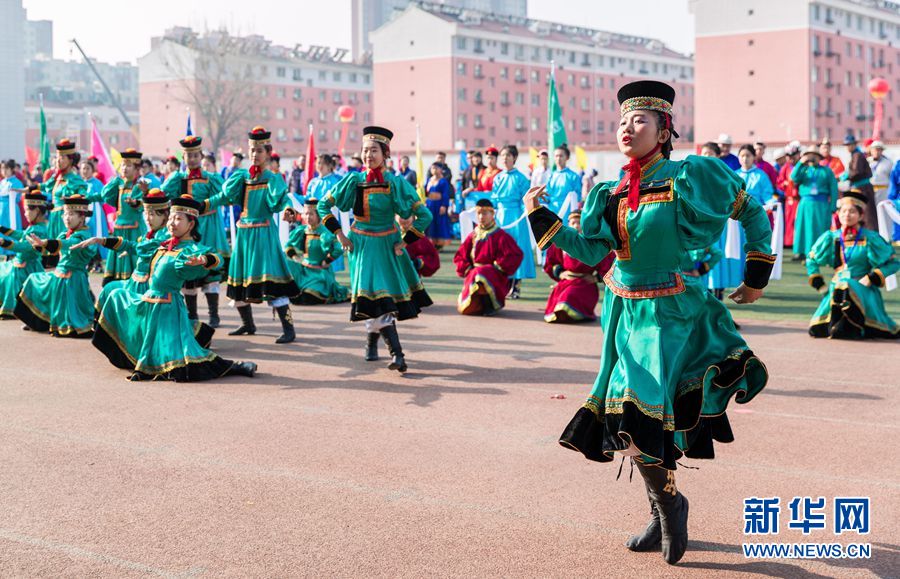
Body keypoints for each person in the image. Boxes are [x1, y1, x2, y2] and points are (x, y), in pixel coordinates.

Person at [526, 80, 774, 566]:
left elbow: (752, 212)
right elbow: (590, 250)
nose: (626, 128)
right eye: (621, 121)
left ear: (664, 130)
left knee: (645, 415)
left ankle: (668, 506)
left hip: (673, 314)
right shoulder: (609, 192)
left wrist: (756, 276)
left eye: (638, 120)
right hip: (622, 312)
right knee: (632, 417)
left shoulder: (690, 175)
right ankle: (665, 508)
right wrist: (543, 218)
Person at [92, 194, 257, 381]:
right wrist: (102, 241)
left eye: (178, 219)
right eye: (171, 218)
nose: (172, 223)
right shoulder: (162, 245)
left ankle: (238, 367)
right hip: (148, 302)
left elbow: (216, 258)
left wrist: (203, 260)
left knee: (184, 359)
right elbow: (133, 247)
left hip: (167, 309)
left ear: (191, 224)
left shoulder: (190, 249)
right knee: (116, 295)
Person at [317, 126, 433, 372]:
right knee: (373, 297)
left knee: (381, 299)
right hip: (362, 245)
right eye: (365, 150)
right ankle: (395, 353)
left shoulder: (396, 183)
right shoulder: (353, 180)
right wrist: (339, 234)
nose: (369, 155)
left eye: (374, 150)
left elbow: (424, 215)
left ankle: (379, 346)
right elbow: (323, 206)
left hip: (388, 246)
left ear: (385, 153)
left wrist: (405, 240)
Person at [204, 126, 299, 344]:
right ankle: (248, 324)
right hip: (244, 235)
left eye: (259, 150)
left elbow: (282, 199)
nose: (254, 154)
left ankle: (289, 328)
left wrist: (287, 210)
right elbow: (223, 196)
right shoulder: (243, 178)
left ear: (268, 153)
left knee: (271, 281)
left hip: (263, 234)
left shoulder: (272, 178)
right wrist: (203, 204)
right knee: (238, 282)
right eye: (252, 150)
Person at [806, 190, 898, 339]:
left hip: (862, 288)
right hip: (837, 289)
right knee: (816, 330)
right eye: (843, 211)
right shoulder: (831, 237)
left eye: (852, 212)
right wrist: (819, 283)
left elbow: (893, 263)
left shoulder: (870, 238)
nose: (847, 215)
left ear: (861, 215)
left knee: (847, 284)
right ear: (838, 214)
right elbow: (811, 259)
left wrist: (873, 277)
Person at [160, 135, 229, 327]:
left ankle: (214, 314)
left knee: (210, 271)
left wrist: (206, 205)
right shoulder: (178, 178)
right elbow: (163, 194)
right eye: (187, 156)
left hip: (209, 226)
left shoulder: (211, 178)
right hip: (187, 229)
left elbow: (224, 196)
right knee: (188, 268)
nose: (191, 159)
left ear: (200, 156)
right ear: (183, 158)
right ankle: (192, 315)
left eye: (194, 155)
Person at [15, 195, 98, 337]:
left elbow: (68, 244)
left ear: (82, 217)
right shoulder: (64, 233)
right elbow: (52, 249)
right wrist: (39, 246)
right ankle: (38, 321)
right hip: (58, 275)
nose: (67, 218)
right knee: (33, 280)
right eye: (65, 214)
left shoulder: (84, 236)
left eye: (71, 214)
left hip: (72, 278)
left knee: (74, 321)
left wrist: (45, 243)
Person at [83, 189, 172, 313]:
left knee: (115, 294)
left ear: (165, 215)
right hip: (136, 281)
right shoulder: (150, 234)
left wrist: (132, 249)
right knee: (109, 288)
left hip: (149, 286)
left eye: (152, 214)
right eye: (146, 213)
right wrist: (102, 240)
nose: (147, 218)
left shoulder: (165, 236)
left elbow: (138, 247)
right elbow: (136, 246)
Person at [84, 148, 147, 286]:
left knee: (134, 262)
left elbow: (144, 204)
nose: (125, 168)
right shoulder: (119, 184)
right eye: (123, 165)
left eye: (129, 165)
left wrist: (136, 202)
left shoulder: (140, 185)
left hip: (134, 230)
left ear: (136, 169)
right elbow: (104, 194)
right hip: (119, 229)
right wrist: (85, 198)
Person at [453, 199, 523, 316]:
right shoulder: (473, 235)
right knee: (477, 275)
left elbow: (515, 255)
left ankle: (490, 304)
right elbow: (461, 255)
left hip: (494, 274)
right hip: (475, 273)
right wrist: (467, 268)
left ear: (492, 214)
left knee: (481, 273)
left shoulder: (501, 236)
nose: (481, 217)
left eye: (485, 213)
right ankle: (479, 303)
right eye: (479, 213)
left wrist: (497, 267)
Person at [542, 209, 613, 323]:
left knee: (568, 297)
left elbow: (609, 266)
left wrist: (595, 278)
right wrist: (560, 273)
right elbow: (551, 263)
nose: (576, 226)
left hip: (585, 283)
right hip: (567, 281)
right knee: (561, 299)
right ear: (568, 224)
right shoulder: (560, 243)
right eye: (573, 223)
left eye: (579, 222)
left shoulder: (594, 244)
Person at [282, 199, 348, 305]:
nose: (308, 217)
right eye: (306, 214)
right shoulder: (302, 231)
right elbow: (288, 246)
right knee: (285, 261)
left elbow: (339, 247)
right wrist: (295, 257)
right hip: (304, 269)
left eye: (311, 214)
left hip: (319, 272)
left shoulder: (326, 232)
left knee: (309, 296)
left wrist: (328, 260)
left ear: (318, 215)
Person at [491, 144, 536, 299]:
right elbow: (494, 199)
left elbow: (526, 198)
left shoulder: (521, 178)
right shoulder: (497, 177)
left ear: (514, 158)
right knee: (501, 250)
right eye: (502, 155)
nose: (504, 158)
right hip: (500, 217)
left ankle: (516, 286)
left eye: (508, 156)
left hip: (516, 217)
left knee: (517, 249)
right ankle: (503, 285)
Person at [0, 191, 50, 318]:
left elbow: (23, 247)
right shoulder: (34, 227)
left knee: (6, 275)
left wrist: (3, 242)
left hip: (26, 268)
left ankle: (12, 309)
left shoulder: (39, 230)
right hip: (20, 264)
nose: (24, 213)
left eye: (27, 210)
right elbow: (21, 235)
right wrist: (2, 229)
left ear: (37, 211)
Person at [792, 146, 839, 260]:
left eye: (815, 155)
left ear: (819, 157)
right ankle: (801, 251)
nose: (812, 158)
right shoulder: (803, 170)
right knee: (803, 227)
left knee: (821, 227)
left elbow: (833, 188)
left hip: (821, 203)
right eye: (809, 155)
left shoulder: (826, 171)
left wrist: (833, 206)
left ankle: (820, 252)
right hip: (805, 203)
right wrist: (800, 163)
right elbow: (793, 177)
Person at [41, 139, 88, 240]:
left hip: (66, 219)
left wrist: (72, 199)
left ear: (70, 160)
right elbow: (45, 187)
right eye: (57, 157)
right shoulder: (56, 178)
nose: (58, 160)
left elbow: (83, 197)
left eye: (62, 157)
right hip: (53, 217)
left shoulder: (75, 180)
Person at [545, 144, 582, 220]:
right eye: (556, 156)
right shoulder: (551, 176)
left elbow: (577, 197)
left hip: (567, 212)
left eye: (561, 156)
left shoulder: (573, 176)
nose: (558, 158)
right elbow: (546, 195)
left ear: (567, 158)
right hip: (552, 210)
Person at [778, 145, 802, 247]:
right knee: (789, 221)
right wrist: (786, 185)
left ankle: (799, 243)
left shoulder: (803, 166)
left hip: (801, 199)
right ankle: (789, 243)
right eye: (789, 155)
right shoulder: (785, 168)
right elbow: (779, 182)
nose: (791, 158)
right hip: (789, 200)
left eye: (794, 155)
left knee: (799, 222)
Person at [425, 163, 453, 247]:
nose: (434, 170)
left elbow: (445, 194)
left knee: (440, 223)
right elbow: (425, 192)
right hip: (430, 204)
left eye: (436, 168)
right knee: (431, 222)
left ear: (440, 170)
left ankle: (440, 243)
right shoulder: (429, 180)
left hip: (439, 204)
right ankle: (431, 242)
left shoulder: (443, 181)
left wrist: (444, 205)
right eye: (432, 168)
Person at [868, 141, 892, 207]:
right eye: (875, 149)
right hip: (870, 190)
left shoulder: (888, 162)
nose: (877, 152)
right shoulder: (867, 161)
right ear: (871, 150)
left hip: (883, 190)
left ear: (882, 151)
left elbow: (892, 178)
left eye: (879, 150)